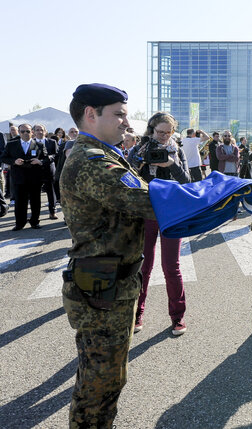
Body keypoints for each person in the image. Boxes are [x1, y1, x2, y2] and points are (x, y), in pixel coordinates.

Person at [59, 83, 159, 427]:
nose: (125, 123)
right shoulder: (90, 161)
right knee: (99, 385)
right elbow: (147, 201)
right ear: (91, 115)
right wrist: (216, 196)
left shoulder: (105, 154)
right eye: (118, 114)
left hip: (111, 282)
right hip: (101, 286)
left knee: (110, 378)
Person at [129, 112, 191, 335]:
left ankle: (178, 317)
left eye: (169, 132)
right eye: (160, 132)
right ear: (151, 130)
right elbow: (127, 178)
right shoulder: (140, 149)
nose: (164, 136)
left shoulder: (178, 149)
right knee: (143, 266)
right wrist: (141, 159)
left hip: (172, 214)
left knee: (171, 267)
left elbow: (187, 181)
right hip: (146, 212)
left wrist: (171, 163)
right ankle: (137, 313)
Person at [1, 123, 48, 230]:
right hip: (19, 178)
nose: (25, 133)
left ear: (32, 132)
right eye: (23, 131)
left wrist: (39, 161)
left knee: (35, 201)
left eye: (28, 131)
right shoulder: (11, 145)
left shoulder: (39, 145)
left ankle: (35, 221)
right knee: (19, 202)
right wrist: (14, 161)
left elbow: (47, 159)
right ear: (19, 132)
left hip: (34, 178)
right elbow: (3, 158)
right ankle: (20, 223)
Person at [33, 124, 59, 219]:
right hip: (35, 172)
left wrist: (45, 160)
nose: (40, 132)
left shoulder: (52, 142)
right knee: (35, 194)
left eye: (41, 130)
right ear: (34, 132)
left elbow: (56, 155)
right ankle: (36, 215)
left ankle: (52, 212)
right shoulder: (31, 143)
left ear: (45, 132)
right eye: (37, 130)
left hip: (49, 170)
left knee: (51, 193)